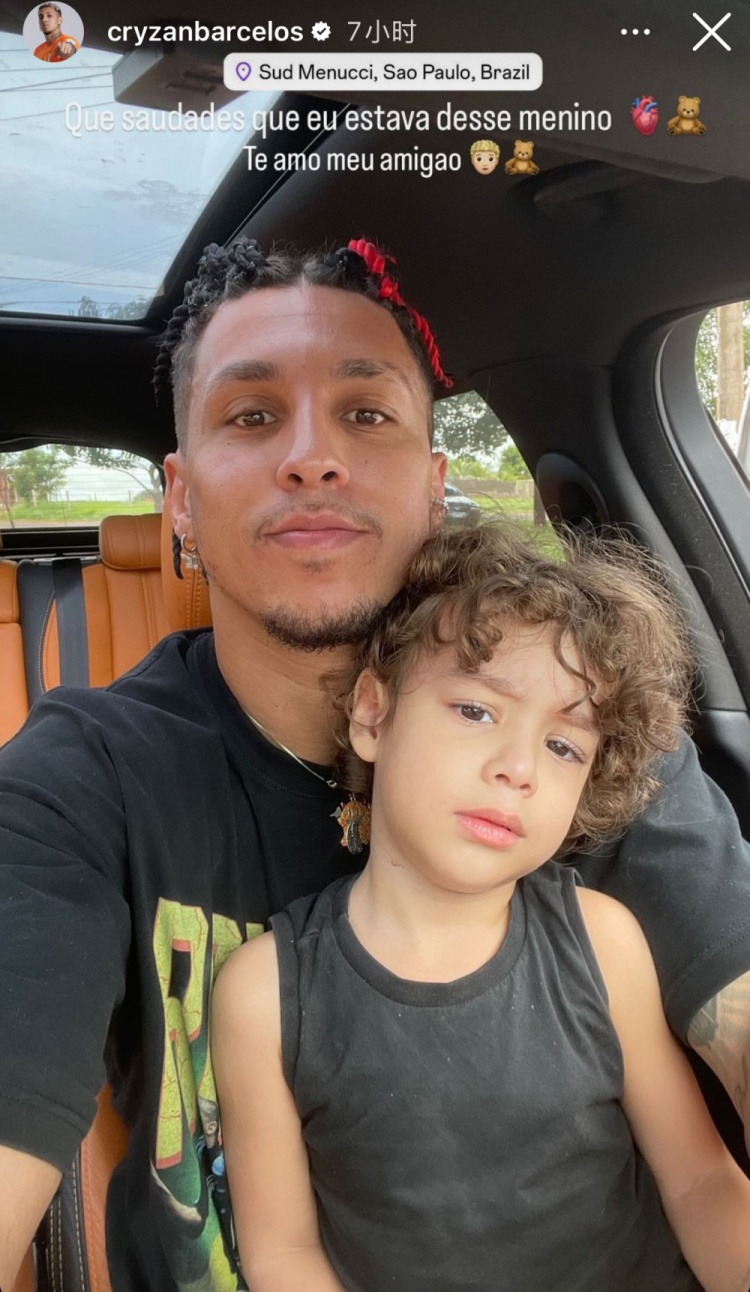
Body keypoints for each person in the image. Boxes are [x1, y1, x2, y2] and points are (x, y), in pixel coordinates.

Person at [0, 237, 748, 1292]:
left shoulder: (584, 724)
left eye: (365, 413)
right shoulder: (73, 781)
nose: (313, 457)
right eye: (250, 415)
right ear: (179, 498)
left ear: (437, 486)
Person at [211, 522, 750, 1292]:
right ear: (372, 715)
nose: (518, 768)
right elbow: (284, 1255)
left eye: (564, 746)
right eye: (475, 711)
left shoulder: (604, 944)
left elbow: (699, 1182)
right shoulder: (264, 994)